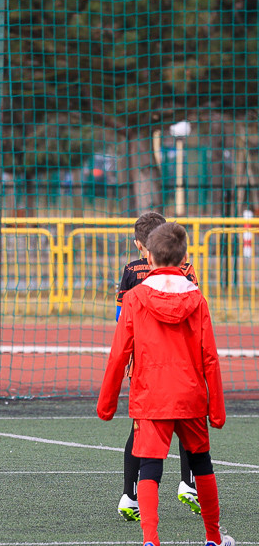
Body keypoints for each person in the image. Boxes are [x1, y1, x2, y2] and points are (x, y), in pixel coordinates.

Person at [98, 222, 234, 546]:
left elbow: (119, 354)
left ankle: (150, 545)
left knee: (149, 467)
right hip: (190, 396)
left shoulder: (134, 298)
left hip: (150, 397)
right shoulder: (196, 298)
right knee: (202, 464)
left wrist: (107, 403)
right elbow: (210, 357)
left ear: (149, 255)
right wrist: (216, 408)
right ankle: (214, 540)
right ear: (184, 256)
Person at [115, 211, 200, 522]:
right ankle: (188, 484)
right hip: (181, 360)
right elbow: (194, 314)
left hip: (144, 361)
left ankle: (130, 494)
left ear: (140, 244)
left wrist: (127, 357)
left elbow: (122, 320)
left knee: (141, 427)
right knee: (188, 421)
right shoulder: (186, 271)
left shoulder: (131, 270)